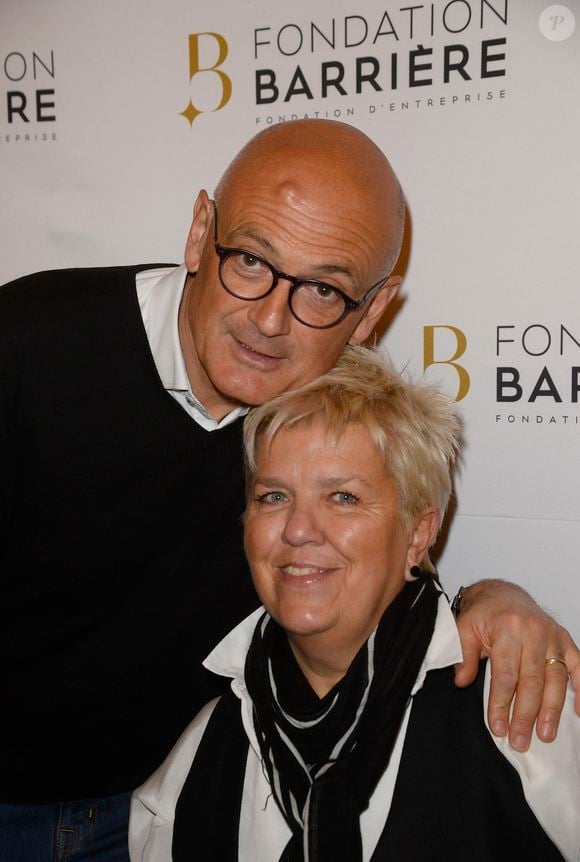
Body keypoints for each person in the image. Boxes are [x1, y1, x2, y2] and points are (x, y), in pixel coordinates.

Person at [0, 120, 578, 862]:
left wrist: (491, 599)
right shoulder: (27, 344)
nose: (270, 320)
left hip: (158, 809)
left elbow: (370, 564)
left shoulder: (318, 411)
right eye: (249, 260)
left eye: (324, 289)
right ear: (200, 232)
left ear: (371, 311)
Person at [130, 346, 580, 861]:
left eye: (342, 497)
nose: (298, 530)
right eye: (273, 496)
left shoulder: (521, 715)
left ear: (418, 534)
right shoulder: (204, 745)